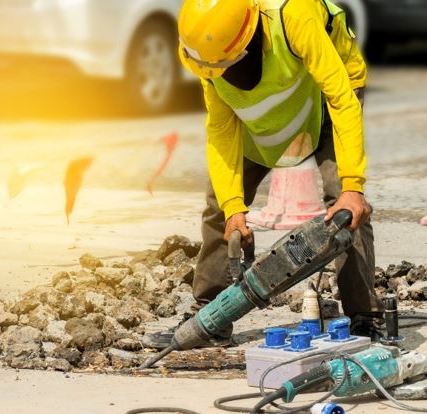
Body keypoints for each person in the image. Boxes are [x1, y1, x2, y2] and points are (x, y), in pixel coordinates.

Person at [143, 0, 384, 349]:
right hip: (273, 99)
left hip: (328, 93)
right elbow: (222, 131)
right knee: (220, 205)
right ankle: (210, 314)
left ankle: (365, 317)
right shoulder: (210, 53)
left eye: (228, 64)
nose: (221, 72)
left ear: (249, 38)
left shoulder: (295, 15)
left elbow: (340, 98)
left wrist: (352, 186)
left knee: (344, 209)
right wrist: (233, 209)